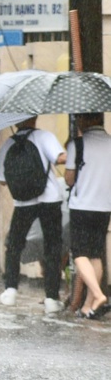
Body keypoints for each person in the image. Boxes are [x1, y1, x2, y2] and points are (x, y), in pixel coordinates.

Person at [0, 116, 66, 313]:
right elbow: (60, 158)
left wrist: (23, 179)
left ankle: (10, 290)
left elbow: (1, 180)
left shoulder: (8, 143)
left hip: (23, 202)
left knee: (14, 245)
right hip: (49, 198)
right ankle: (51, 297)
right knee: (53, 246)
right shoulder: (44, 136)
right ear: (34, 118)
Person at [65, 113, 111, 319]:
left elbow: (68, 179)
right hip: (104, 206)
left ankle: (99, 295)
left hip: (82, 205)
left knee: (80, 253)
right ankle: (88, 305)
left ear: (85, 121)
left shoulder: (77, 144)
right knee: (95, 253)